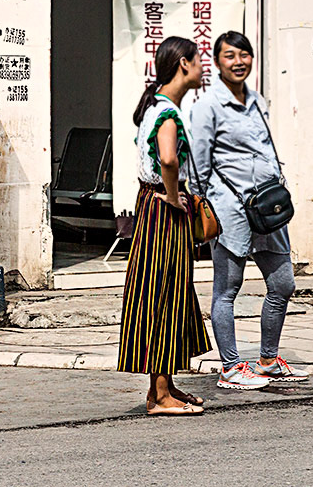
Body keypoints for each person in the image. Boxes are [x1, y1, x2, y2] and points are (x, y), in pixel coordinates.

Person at [188, 31, 305, 391]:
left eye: (244, 54)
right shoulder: (207, 106)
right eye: (229, 56)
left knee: (283, 283)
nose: (238, 61)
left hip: (267, 207)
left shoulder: (257, 101)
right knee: (227, 289)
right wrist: (208, 205)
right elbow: (198, 166)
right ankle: (230, 367)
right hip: (230, 210)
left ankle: (268, 359)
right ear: (217, 62)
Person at [118, 36, 213, 416]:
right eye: (198, 59)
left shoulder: (155, 106)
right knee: (164, 293)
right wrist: (175, 198)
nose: (202, 66)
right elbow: (169, 159)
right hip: (163, 211)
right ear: (184, 65)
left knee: (165, 293)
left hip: (150, 206)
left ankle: (164, 387)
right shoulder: (168, 114)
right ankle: (160, 397)